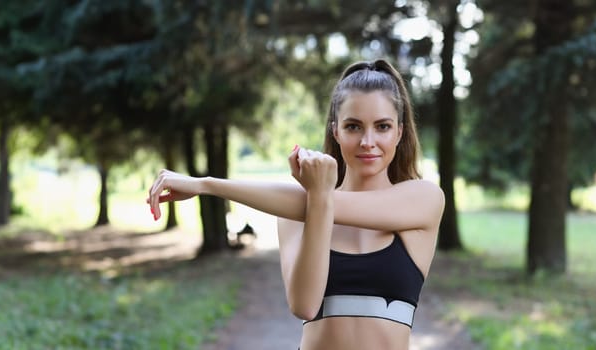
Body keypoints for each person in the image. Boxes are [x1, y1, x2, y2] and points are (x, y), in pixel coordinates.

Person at [147, 59, 444, 350]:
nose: (368, 141)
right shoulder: (296, 214)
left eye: (382, 126)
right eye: (353, 126)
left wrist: (207, 185)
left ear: (400, 132)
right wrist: (205, 185)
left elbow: (327, 203)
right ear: (335, 131)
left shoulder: (424, 200)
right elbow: (304, 305)